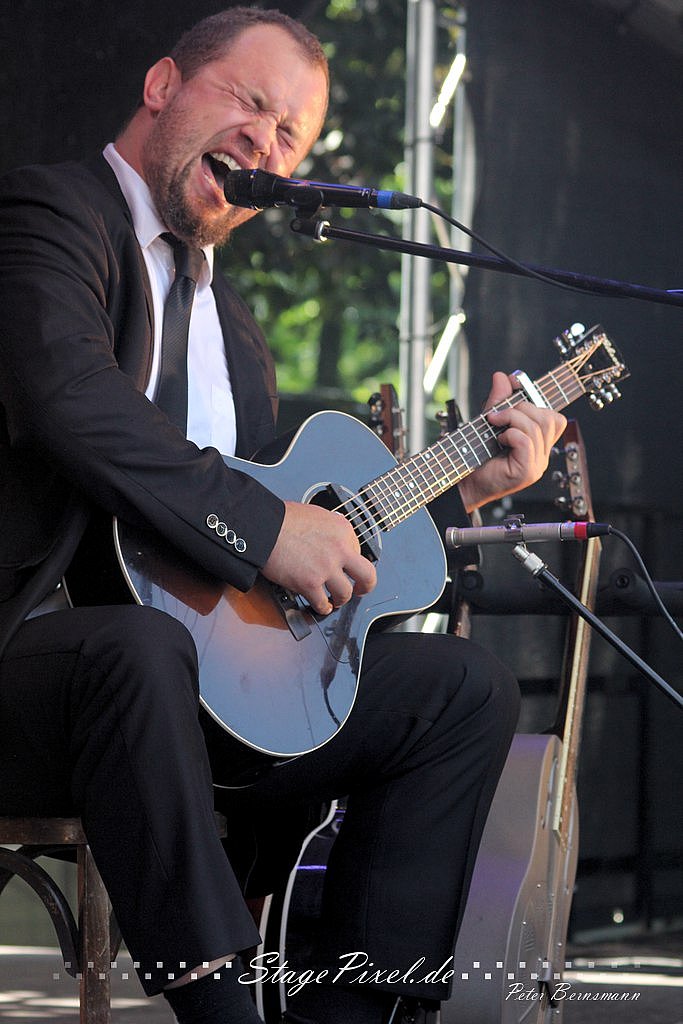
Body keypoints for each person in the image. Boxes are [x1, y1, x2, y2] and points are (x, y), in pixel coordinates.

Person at [0, 8, 566, 1024]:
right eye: (249, 102)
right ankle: (224, 1009)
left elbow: (291, 549)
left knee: (460, 690)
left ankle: (359, 1012)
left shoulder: (235, 331)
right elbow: (71, 401)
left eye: (289, 137)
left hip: (200, 703)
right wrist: (267, 531)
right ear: (163, 85)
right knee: (137, 649)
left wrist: (467, 489)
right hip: (38, 673)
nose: (264, 142)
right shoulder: (48, 217)